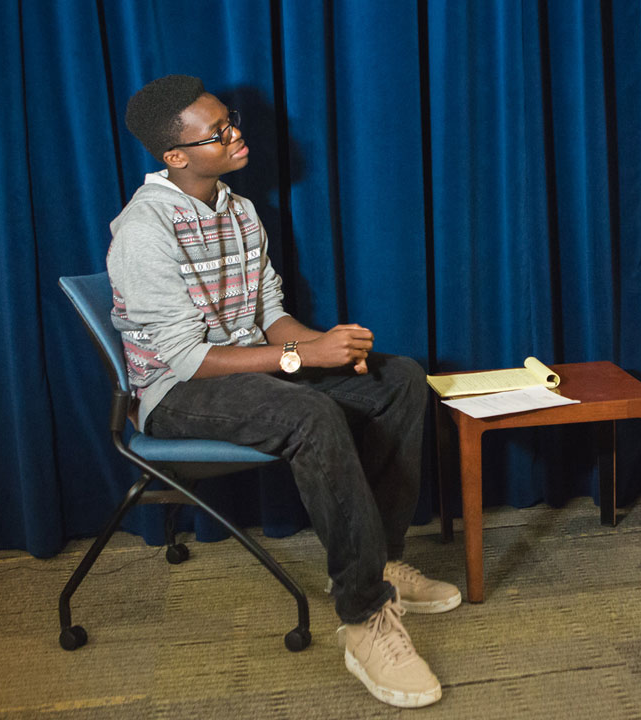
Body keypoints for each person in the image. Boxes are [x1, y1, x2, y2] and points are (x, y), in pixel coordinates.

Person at [107, 75, 456, 708]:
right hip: (176, 392)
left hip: (255, 368)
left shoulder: (238, 210)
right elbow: (185, 358)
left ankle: (381, 563)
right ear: (176, 157)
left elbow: (269, 312)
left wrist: (328, 346)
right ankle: (363, 619)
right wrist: (301, 358)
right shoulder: (142, 229)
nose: (235, 134)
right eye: (217, 133)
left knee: (399, 378)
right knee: (310, 413)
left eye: (230, 120)